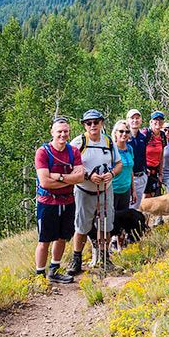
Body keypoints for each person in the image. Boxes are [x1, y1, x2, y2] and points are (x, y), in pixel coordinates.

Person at [67, 109, 122, 275]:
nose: (92, 125)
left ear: (101, 123)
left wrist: (111, 174)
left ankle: (105, 258)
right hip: (84, 190)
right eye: (88, 123)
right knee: (82, 226)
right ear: (84, 125)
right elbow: (69, 166)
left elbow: (118, 164)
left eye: (95, 122)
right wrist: (88, 175)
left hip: (105, 190)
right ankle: (76, 260)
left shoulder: (108, 141)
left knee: (105, 225)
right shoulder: (78, 143)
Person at [35, 117, 84, 283]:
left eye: (66, 131)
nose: (63, 135)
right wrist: (69, 178)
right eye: (59, 132)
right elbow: (44, 182)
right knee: (44, 240)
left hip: (68, 201)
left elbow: (80, 177)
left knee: (62, 237)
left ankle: (54, 271)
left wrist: (59, 177)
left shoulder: (73, 152)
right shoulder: (43, 152)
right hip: (47, 202)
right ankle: (39, 276)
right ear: (52, 133)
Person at [112, 120, 136, 210]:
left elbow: (131, 170)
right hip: (113, 190)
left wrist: (133, 190)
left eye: (127, 131)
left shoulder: (130, 149)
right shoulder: (111, 150)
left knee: (123, 219)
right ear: (115, 133)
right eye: (121, 131)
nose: (124, 134)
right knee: (112, 219)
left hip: (126, 190)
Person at [141, 111, 166, 198]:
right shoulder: (145, 134)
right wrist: (143, 167)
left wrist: (160, 173)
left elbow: (161, 155)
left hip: (155, 170)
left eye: (160, 120)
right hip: (145, 169)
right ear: (151, 122)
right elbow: (139, 151)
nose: (158, 122)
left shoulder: (162, 136)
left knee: (153, 194)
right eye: (155, 119)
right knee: (145, 195)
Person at [127, 109, 148, 209]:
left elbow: (144, 155)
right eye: (132, 118)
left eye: (137, 118)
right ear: (128, 120)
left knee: (136, 206)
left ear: (141, 120)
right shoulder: (124, 136)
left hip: (141, 176)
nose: (135, 120)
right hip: (127, 178)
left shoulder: (143, 137)